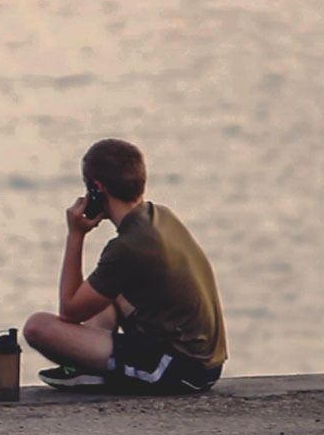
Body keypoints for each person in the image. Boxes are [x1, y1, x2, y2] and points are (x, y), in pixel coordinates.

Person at [22, 138, 227, 393]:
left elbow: (70, 311)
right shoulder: (160, 215)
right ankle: (90, 366)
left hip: (180, 370)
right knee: (106, 288)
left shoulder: (129, 246)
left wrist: (75, 235)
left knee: (37, 327)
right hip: (205, 363)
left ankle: (97, 369)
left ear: (97, 188)